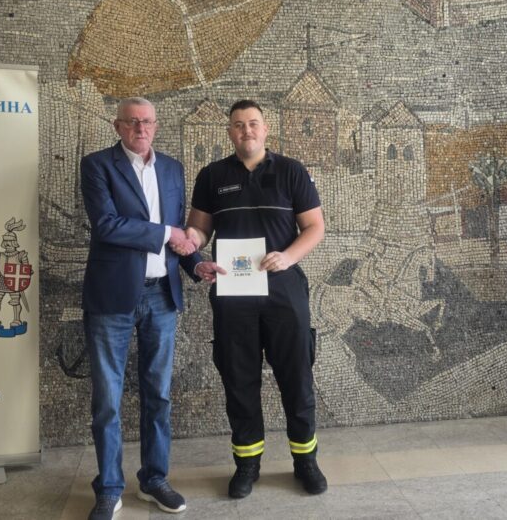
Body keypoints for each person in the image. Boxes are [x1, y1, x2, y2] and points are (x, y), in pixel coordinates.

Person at [186, 100, 328, 499]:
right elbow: (199, 229)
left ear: (266, 129)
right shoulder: (212, 176)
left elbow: (315, 227)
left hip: (284, 291)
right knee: (239, 379)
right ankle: (247, 464)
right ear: (229, 132)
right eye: (238, 125)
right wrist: (191, 242)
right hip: (233, 294)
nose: (246, 130)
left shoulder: (291, 171)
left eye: (253, 123)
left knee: (296, 377)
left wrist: (289, 256)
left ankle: (305, 461)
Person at [81, 97, 201, 520]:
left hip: (161, 295)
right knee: (108, 400)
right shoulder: (97, 165)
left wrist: (196, 264)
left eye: (147, 121)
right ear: (117, 126)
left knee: (159, 394)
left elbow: (179, 234)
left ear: (156, 125)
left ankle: (154, 479)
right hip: (112, 297)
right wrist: (168, 233)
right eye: (132, 122)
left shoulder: (172, 168)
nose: (140, 128)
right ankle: (109, 489)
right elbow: (107, 225)